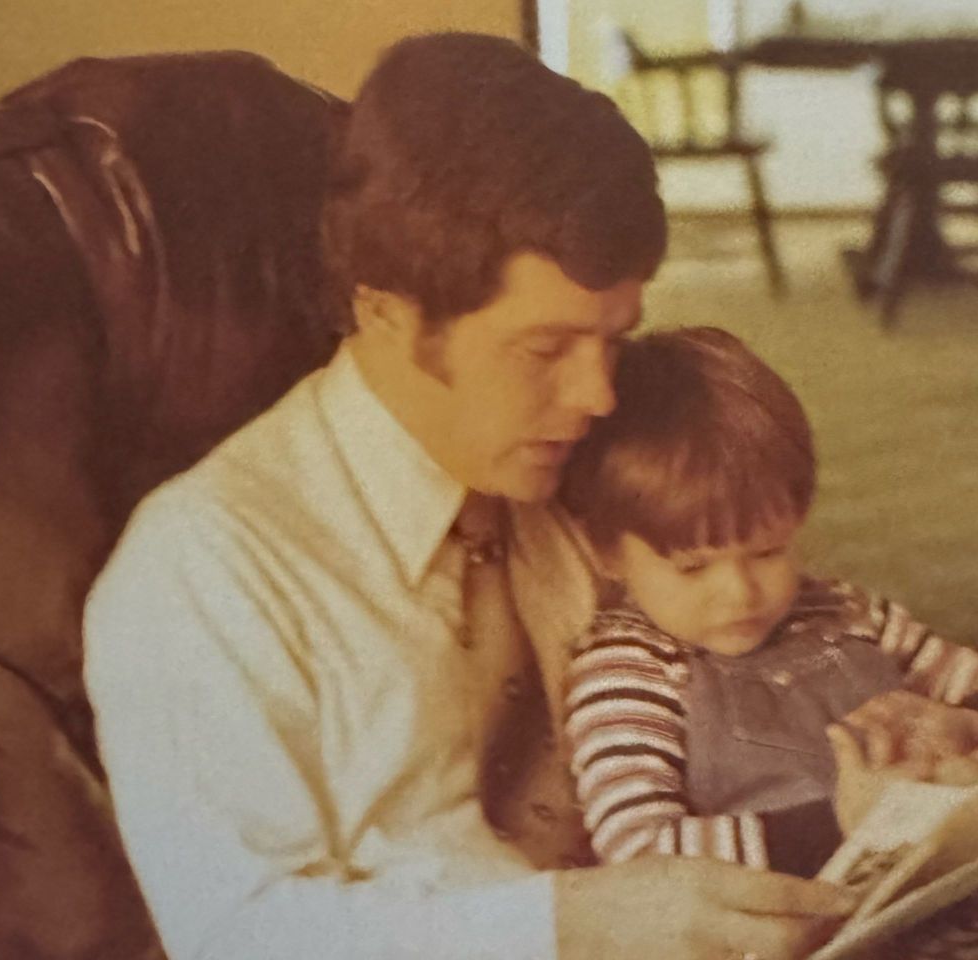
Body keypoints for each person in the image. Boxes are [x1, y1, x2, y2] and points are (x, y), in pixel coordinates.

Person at [83, 33, 855, 960]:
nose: (599, 394)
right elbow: (237, 935)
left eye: (613, 339)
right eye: (545, 351)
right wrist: (575, 927)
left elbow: (750, 639)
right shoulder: (204, 572)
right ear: (389, 314)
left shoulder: (584, 462)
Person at [557, 326, 978, 876]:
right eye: (694, 567)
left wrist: (973, 721)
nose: (741, 592)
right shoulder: (627, 670)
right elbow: (636, 850)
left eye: (769, 552)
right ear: (606, 552)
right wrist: (846, 825)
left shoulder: (844, 612)